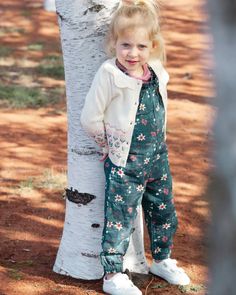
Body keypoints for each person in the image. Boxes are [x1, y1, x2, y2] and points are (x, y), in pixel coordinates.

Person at [81, 0, 190, 294]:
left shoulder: (156, 70)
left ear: (152, 46)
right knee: (120, 216)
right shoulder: (109, 74)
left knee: (164, 210)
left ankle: (162, 259)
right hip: (124, 161)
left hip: (157, 157)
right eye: (125, 45)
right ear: (113, 43)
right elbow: (90, 118)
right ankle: (113, 274)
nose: (133, 53)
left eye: (141, 46)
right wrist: (108, 145)